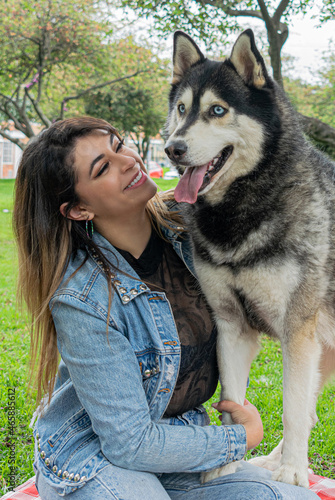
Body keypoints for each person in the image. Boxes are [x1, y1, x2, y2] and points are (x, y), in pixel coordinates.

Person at [13, 117, 317, 500]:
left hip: (180, 442)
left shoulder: (193, 229)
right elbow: (129, 443)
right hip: (95, 455)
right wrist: (240, 438)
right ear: (78, 210)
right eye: (103, 167)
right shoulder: (80, 297)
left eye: (118, 143)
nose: (128, 160)